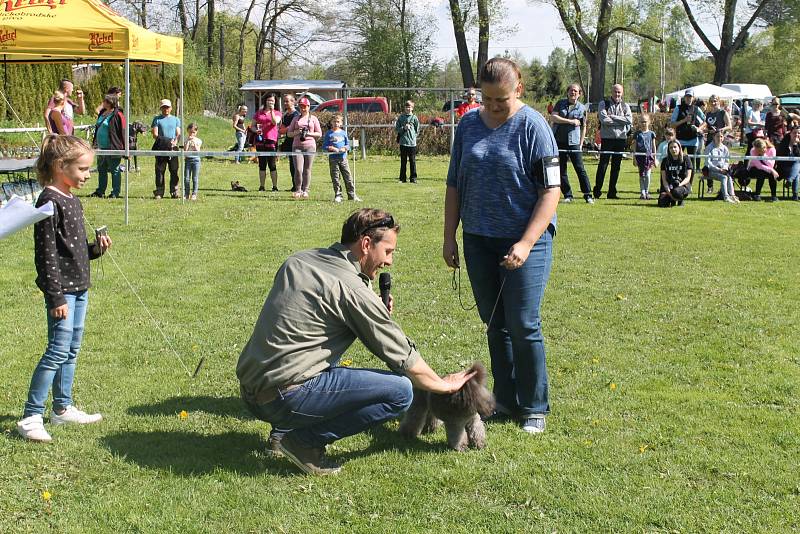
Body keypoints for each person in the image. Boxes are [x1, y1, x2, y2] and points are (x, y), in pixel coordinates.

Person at [237, 208, 475, 475]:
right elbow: (401, 356)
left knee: (322, 345)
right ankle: (303, 442)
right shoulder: (351, 289)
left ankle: (283, 431)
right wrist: (443, 385)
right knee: (401, 392)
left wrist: (370, 301)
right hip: (284, 398)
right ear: (365, 244)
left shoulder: (299, 260)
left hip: (251, 392)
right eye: (388, 251)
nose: (390, 261)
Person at [443, 57, 560, 434]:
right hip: (479, 240)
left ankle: (534, 406)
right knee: (496, 325)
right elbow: (454, 184)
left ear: (519, 90)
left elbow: (551, 191)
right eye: (487, 99)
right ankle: (505, 401)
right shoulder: (467, 125)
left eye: (501, 100)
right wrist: (450, 236)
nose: (493, 107)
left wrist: (526, 243)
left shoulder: (535, 127)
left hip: (526, 241)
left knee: (523, 324)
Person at [16, 135, 112, 443]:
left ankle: (61, 407)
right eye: (83, 169)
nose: (87, 175)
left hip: (79, 289)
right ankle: (31, 416)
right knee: (56, 351)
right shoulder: (49, 200)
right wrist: (56, 296)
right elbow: (46, 256)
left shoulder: (72, 198)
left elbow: (72, 250)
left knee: (70, 350)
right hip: (63, 294)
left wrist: (96, 249)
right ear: (60, 166)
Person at [551, 83, 593, 204]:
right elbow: (554, 118)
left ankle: (587, 194)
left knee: (580, 168)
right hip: (559, 141)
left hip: (574, 142)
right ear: (567, 92)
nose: (573, 92)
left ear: (579, 94)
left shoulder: (582, 108)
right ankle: (568, 195)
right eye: (571, 90)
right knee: (561, 169)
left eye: (575, 91)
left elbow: (583, 126)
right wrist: (570, 121)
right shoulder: (560, 104)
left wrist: (580, 143)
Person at [593, 84, 632, 199]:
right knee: (603, 165)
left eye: (619, 92)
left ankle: (612, 192)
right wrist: (621, 121)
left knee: (616, 167)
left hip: (621, 139)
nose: (617, 94)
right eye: (615, 91)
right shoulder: (603, 104)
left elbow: (629, 120)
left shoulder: (625, 106)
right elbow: (604, 120)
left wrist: (613, 117)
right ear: (611, 92)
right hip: (607, 139)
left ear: (622, 93)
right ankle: (597, 191)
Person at [89, 94, 126, 199]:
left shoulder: (118, 115)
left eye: (104, 101)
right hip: (100, 147)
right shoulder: (102, 113)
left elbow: (123, 132)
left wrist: (125, 148)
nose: (103, 103)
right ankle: (100, 191)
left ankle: (115, 192)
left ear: (110, 103)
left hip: (113, 147)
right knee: (101, 169)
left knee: (114, 169)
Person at [287, 96, 322, 199]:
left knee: (307, 169)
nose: (302, 108)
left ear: (308, 106)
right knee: (298, 169)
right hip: (297, 146)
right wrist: (297, 132)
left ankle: (306, 190)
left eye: (304, 106)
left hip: (310, 146)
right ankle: (298, 189)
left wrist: (309, 134)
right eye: (301, 106)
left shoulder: (313, 119)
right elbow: (289, 134)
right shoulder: (295, 119)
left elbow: (319, 134)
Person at [322, 114, 360, 203]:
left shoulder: (343, 133)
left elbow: (348, 145)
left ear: (341, 123)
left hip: (343, 158)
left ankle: (352, 195)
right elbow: (324, 146)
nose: (336, 123)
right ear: (331, 122)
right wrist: (331, 148)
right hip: (333, 159)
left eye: (338, 122)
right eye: (334, 121)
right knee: (335, 177)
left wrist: (345, 148)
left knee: (348, 177)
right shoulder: (329, 133)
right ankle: (338, 195)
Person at [150, 98, 181, 199]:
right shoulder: (157, 119)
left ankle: (175, 191)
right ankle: (159, 191)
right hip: (161, 148)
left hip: (173, 148)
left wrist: (175, 142)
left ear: (171, 108)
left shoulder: (176, 119)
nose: (166, 109)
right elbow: (155, 134)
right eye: (164, 107)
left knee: (174, 170)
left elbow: (178, 133)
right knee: (159, 171)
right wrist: (167, 142)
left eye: (167, 107)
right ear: (161, 108)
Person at [670, 89, 705, 176]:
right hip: (680, 139)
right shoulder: (678, 108)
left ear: (693, 98)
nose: (688, 98)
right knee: (678, 160)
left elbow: (706, 120)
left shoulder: (696, 108)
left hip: (693, 139)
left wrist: (699, 128)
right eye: (687, 96)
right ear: (684, 97)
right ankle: (677, 180)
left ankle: (690, 185)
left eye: (690, 97)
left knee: (691, 163)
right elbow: (672, 124)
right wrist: (684, 120)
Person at [251, 94, 282, 192]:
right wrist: (256, 130)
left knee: (272, 165)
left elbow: (274, 122)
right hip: (260, 140)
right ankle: (262, 186)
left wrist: (272, 110)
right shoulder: (259, 113)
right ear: (265, 101)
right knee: (262, 164)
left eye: (272, 101)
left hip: (271, 140)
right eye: (269, 100)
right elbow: (253, 126)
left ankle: (275, 186)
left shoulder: (277, 113)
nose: (270, 102)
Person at [703, 95, 732, 195]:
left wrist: (720, 130)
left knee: (720, 161)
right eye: (711, 101)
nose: (713, 103)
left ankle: (724, 188)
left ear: (719, 101)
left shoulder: (723, 112)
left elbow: (729, 126)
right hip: (710, 140)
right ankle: (710, 187)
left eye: (715, 101)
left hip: (719, 140)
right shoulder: (708, 114)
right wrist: (708, 130)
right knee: (708, 162)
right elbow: (706, 127)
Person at [705, 130, 737, 203]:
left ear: (723, 138)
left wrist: (724, 168)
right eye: (717, 136)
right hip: (710, 170)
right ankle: (726, 197)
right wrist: (718, 169)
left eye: (721, 136)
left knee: (729, 176)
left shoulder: (725, 148)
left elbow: (726, 161)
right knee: (724, 177)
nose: (719, 138)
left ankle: (732, 195)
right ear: (714, 137)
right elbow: (708, 163)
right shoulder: (709, 148)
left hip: (722, 170)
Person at [658, 140, 692, 207]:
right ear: (668, 149)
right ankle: (672, 199)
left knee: (676, 192)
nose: (673, 149)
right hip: (669, 186)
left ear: (679, 148)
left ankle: (680, 199)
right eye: (671, 147)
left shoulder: (686, 159)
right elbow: (664, 180)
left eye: (675, 147)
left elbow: (688, 177)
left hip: (682, 185)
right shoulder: (665, 161)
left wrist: (680, 185)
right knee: (662, 203)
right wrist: (668, 192)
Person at [631, 113, 657, 200]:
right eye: (641, 122)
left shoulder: (651, 133)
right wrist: (634, 157)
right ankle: (642, 192)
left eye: (645, 122)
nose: (643, 124)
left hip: (648, 157)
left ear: (649, 122)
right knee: (641, 175)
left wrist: (655, 157)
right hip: (639, 157)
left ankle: (647, 191)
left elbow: (653, 146)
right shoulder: (637, 134)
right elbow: (634, 146)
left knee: (648, 175)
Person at [395, 100, 420, 183]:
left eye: (409, 107)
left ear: (412, 108)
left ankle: (413, 178)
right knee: (403, 162)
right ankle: (402, 178)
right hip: (403, 143)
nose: (408, 109)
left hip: (412, 143)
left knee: (412, 161)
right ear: (404, 108)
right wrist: (403, 128)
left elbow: (417, 129)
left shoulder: (414, 118)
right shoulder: (401, 117)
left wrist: (413, 136)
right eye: (406, 107)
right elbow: (397, 129)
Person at [748, 138, 779, 202]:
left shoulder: (772, 150)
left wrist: (763, 155)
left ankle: (774, 196)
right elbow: (759, 165)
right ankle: (757, 194)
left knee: (771, 175)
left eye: (759, 150)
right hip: (754, 168)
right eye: (757, 150)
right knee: (761, 173)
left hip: (768, 167)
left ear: (764, 147)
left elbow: (771, 165)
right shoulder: (753, 150)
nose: (757, 152)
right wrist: (772, 170)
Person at [279, 94, 300, 192]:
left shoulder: (296, 115)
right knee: (292, 165)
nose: (285, 103)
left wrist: (285, 130)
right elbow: (281, 129)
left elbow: (287, 129)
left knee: (297, 165)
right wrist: (284, 130)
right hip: (288, 142)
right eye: (284, 101)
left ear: (293, 102)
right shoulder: (285, 115)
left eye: (287, 101)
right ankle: (294, 185)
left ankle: (299, 186)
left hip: (296, 142)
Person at [776, 123, 800, 201]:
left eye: (798, 133)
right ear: (790, 133)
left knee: (797, 164)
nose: (797, 134)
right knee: (797, 168)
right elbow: (780, 156)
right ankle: (795, 195)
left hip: (795, 169)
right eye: (794, 132)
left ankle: (790, 180)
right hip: (784, 168)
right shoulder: (784, 143)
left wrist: (796, 145)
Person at [183, 123, 202, 201]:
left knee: (195, 178)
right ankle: (186, 194)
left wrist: (193, 143)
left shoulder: (198, 140)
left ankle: (194, 193)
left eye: (193, 132)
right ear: (188, 131)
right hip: (188, 160)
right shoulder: (185, 139)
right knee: (186, 178)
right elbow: (185, 150)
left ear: (196, 132)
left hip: (196, 160)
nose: (191, 134)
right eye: (190, 132)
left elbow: (198, 150)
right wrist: (187, 142)